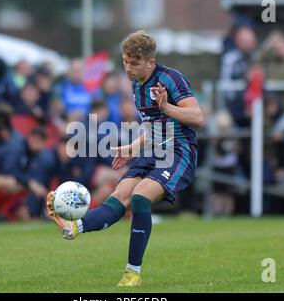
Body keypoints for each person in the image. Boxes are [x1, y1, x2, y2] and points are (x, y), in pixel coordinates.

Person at [46, 30, 204, 287]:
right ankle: (75, 227)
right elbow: (154, 127)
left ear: (150, 63)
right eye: (125, 62)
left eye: (134, 63)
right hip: (153, 151)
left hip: (178, 153)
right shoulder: (136, 85)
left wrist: (166, 107)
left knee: (140, 197)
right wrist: (132, 146)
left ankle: (133, 272)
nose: (128, 68)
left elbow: (197, 117)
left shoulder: (170, 78)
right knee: (119, 197)